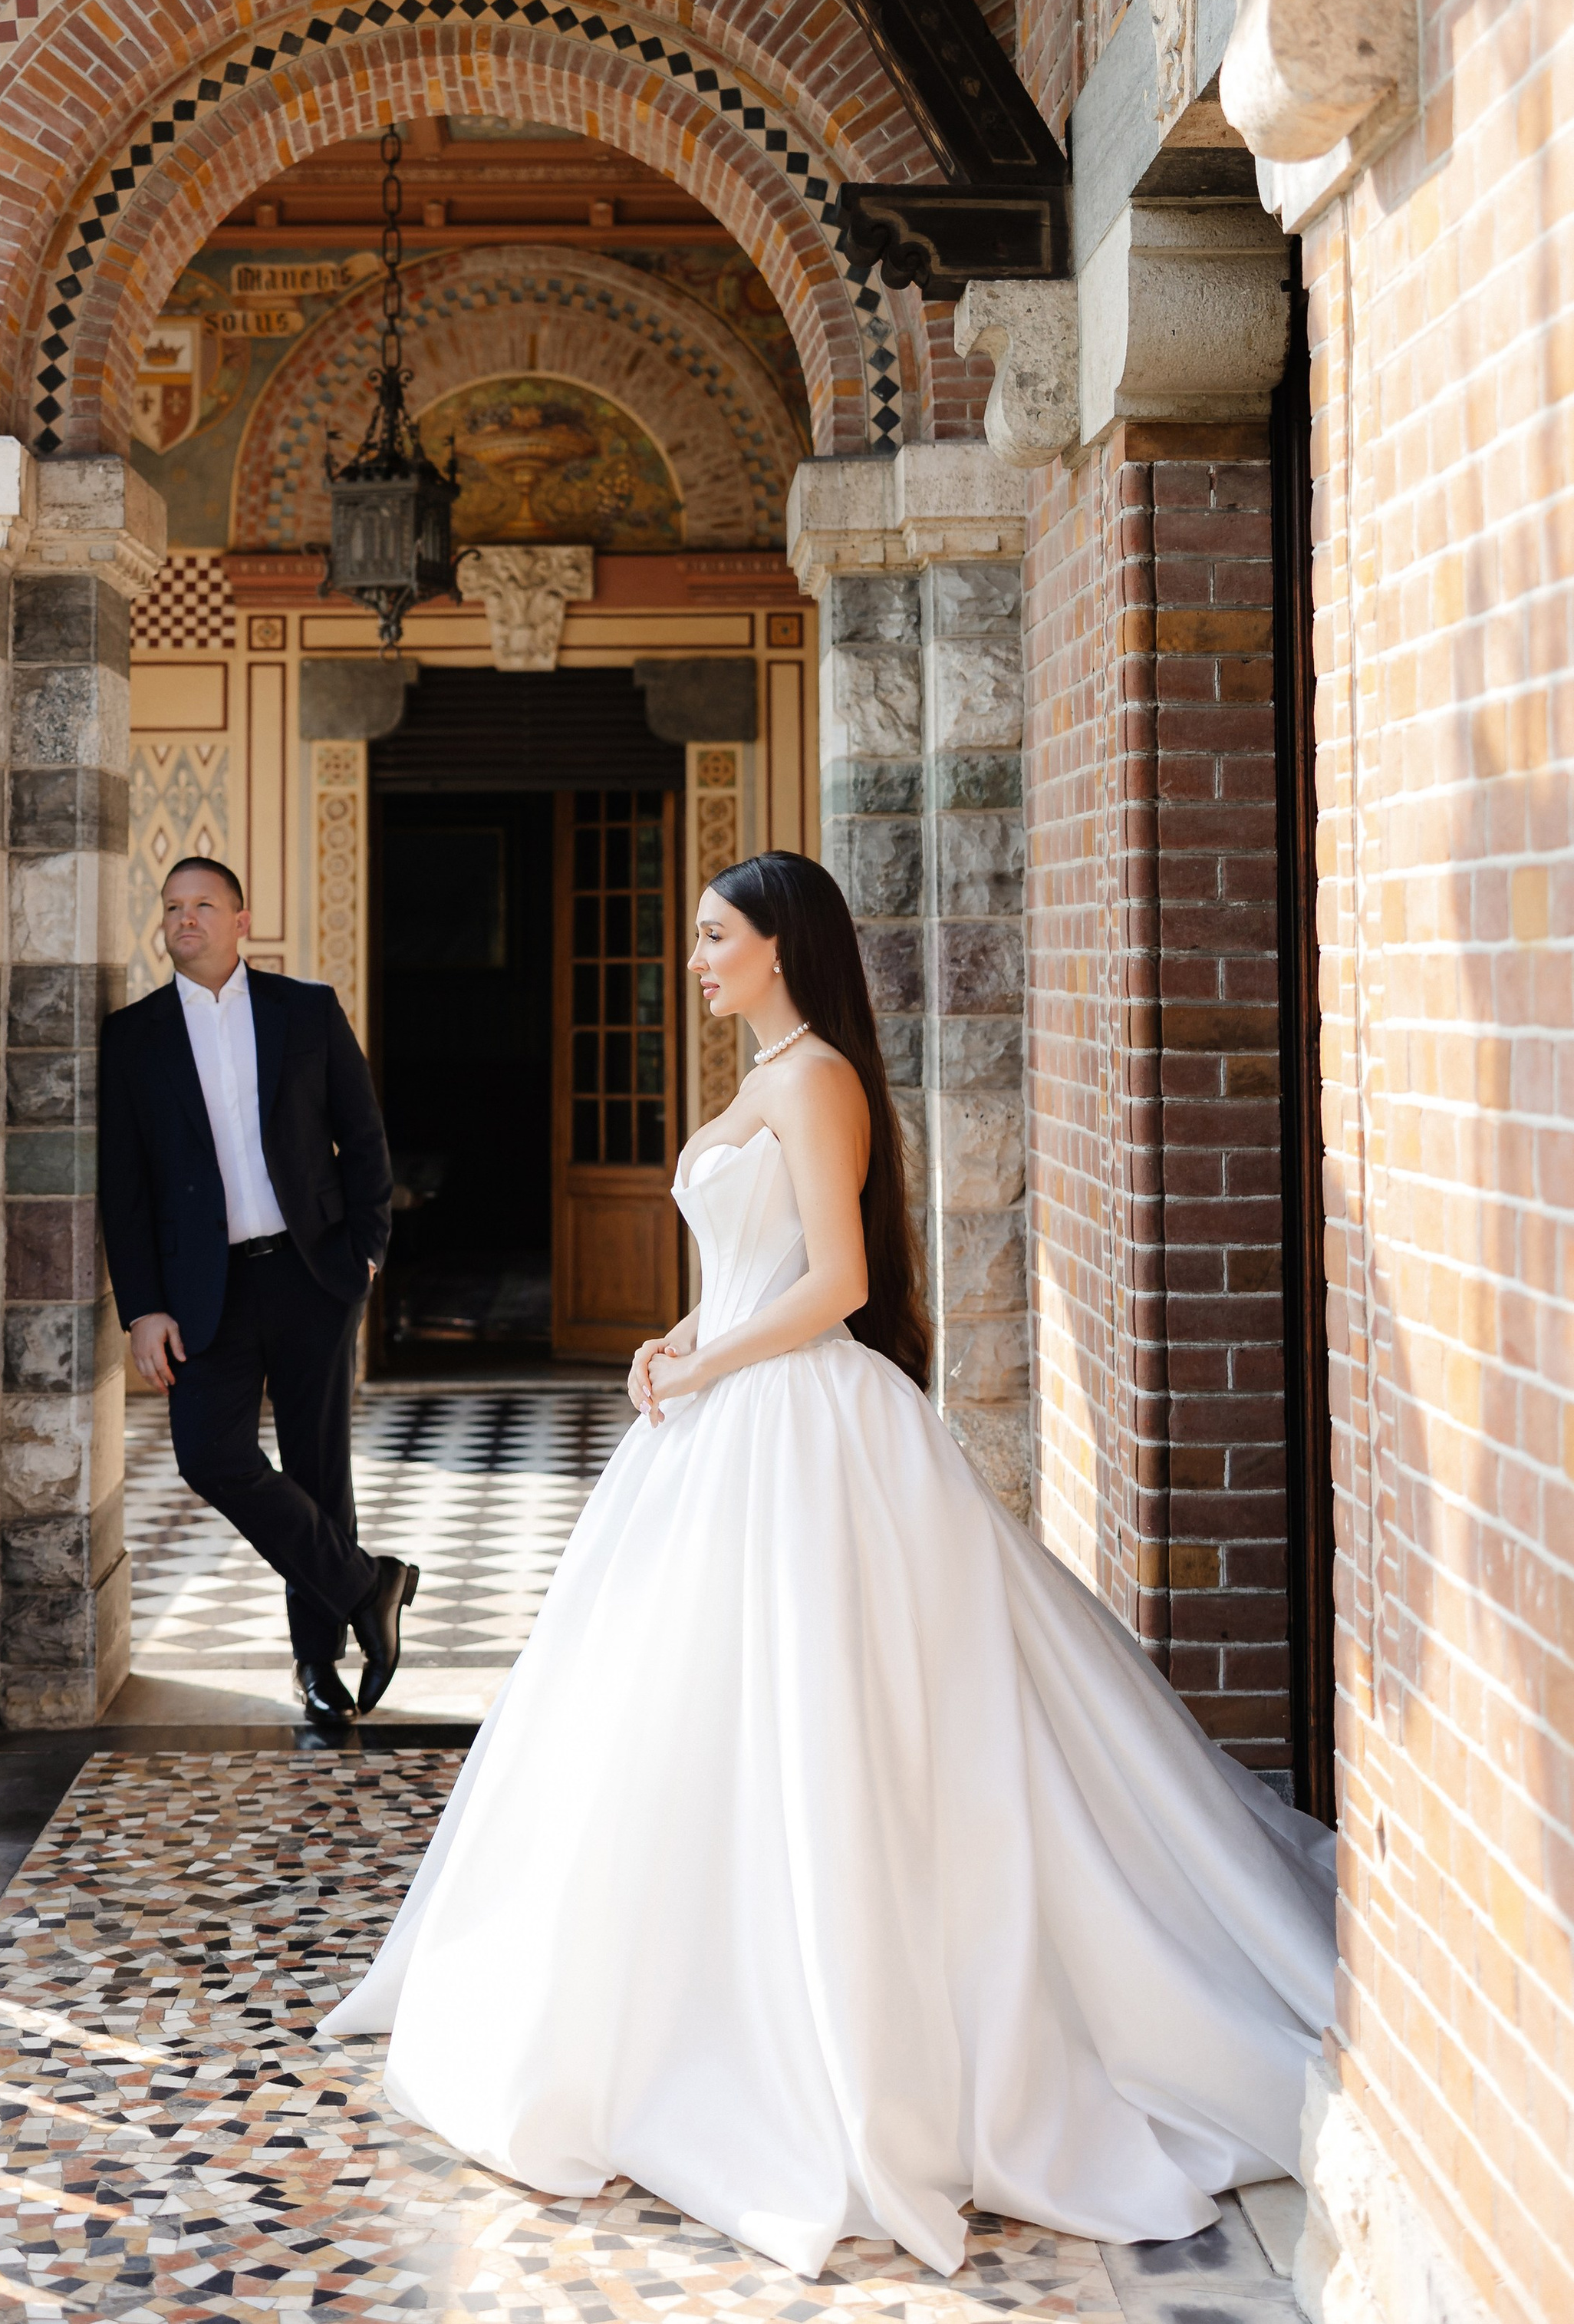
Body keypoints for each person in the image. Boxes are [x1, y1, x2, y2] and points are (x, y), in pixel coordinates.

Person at [323, 849, 1338, 2280]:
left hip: (799, 1419)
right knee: (677, 1719)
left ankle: (830, 2037)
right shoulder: (773, 1072)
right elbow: (757, 1255)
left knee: (830, 1719)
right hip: (726, 1408)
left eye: (715, 935)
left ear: (781, 946)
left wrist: (715, 1353)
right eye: (693, 936)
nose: (695, 957)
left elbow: (839, 1283)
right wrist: (683, 1336)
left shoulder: (816, 1079)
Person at [98, 855, 417, 1736]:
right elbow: (122, 1190)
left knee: (320, 1469)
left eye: (202, 905)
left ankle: (317, 1667)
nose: (184, 919)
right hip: (205, 1293)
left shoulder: (303, 1011)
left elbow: (364, 1135)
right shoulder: (134, 1037)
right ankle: (366, 1585)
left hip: (314, 1273)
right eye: (172, 908)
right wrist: (143, 1307)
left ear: (242, 918)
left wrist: (366, 1255)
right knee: (210, 1456)